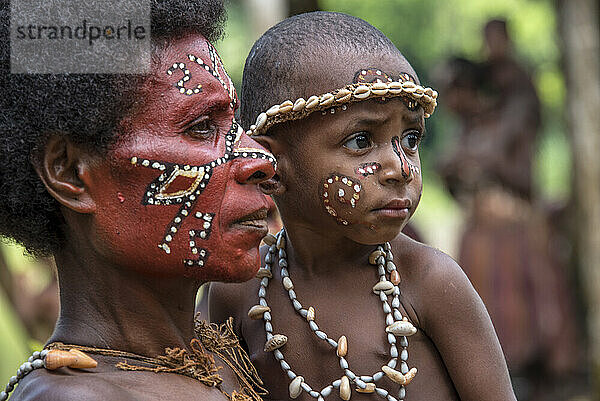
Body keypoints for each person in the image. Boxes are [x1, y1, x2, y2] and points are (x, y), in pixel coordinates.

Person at [208, 11, 516, 401]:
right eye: (361, 141)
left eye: (410, 139)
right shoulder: (238, 293)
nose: (400, 168)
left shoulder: (431, 283)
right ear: (272, 167)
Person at [0, 0, 276, 399]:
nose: (259, 159)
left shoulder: (231, 349)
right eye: (201, 127)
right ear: (71, 173)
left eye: (235, 124)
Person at [436, 20, 581, 400]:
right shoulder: (466, 130)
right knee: (483, 313)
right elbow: (454, 184)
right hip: (480, 230)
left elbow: (520, 175)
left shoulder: (514, 113)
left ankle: (534, 375)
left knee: (521, 311)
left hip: (512, 227)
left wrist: (483, 159)